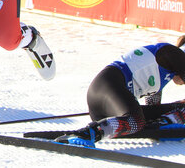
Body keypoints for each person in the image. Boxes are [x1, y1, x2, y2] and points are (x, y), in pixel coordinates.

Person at [54, 37, 185, 147]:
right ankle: (87, 134)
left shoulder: (167, 68)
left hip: (109, 105)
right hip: (106, 86)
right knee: (136, 121)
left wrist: (165, 117)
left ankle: (99, 130)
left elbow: (153, 107)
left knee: (178, 108)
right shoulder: (174, 54)